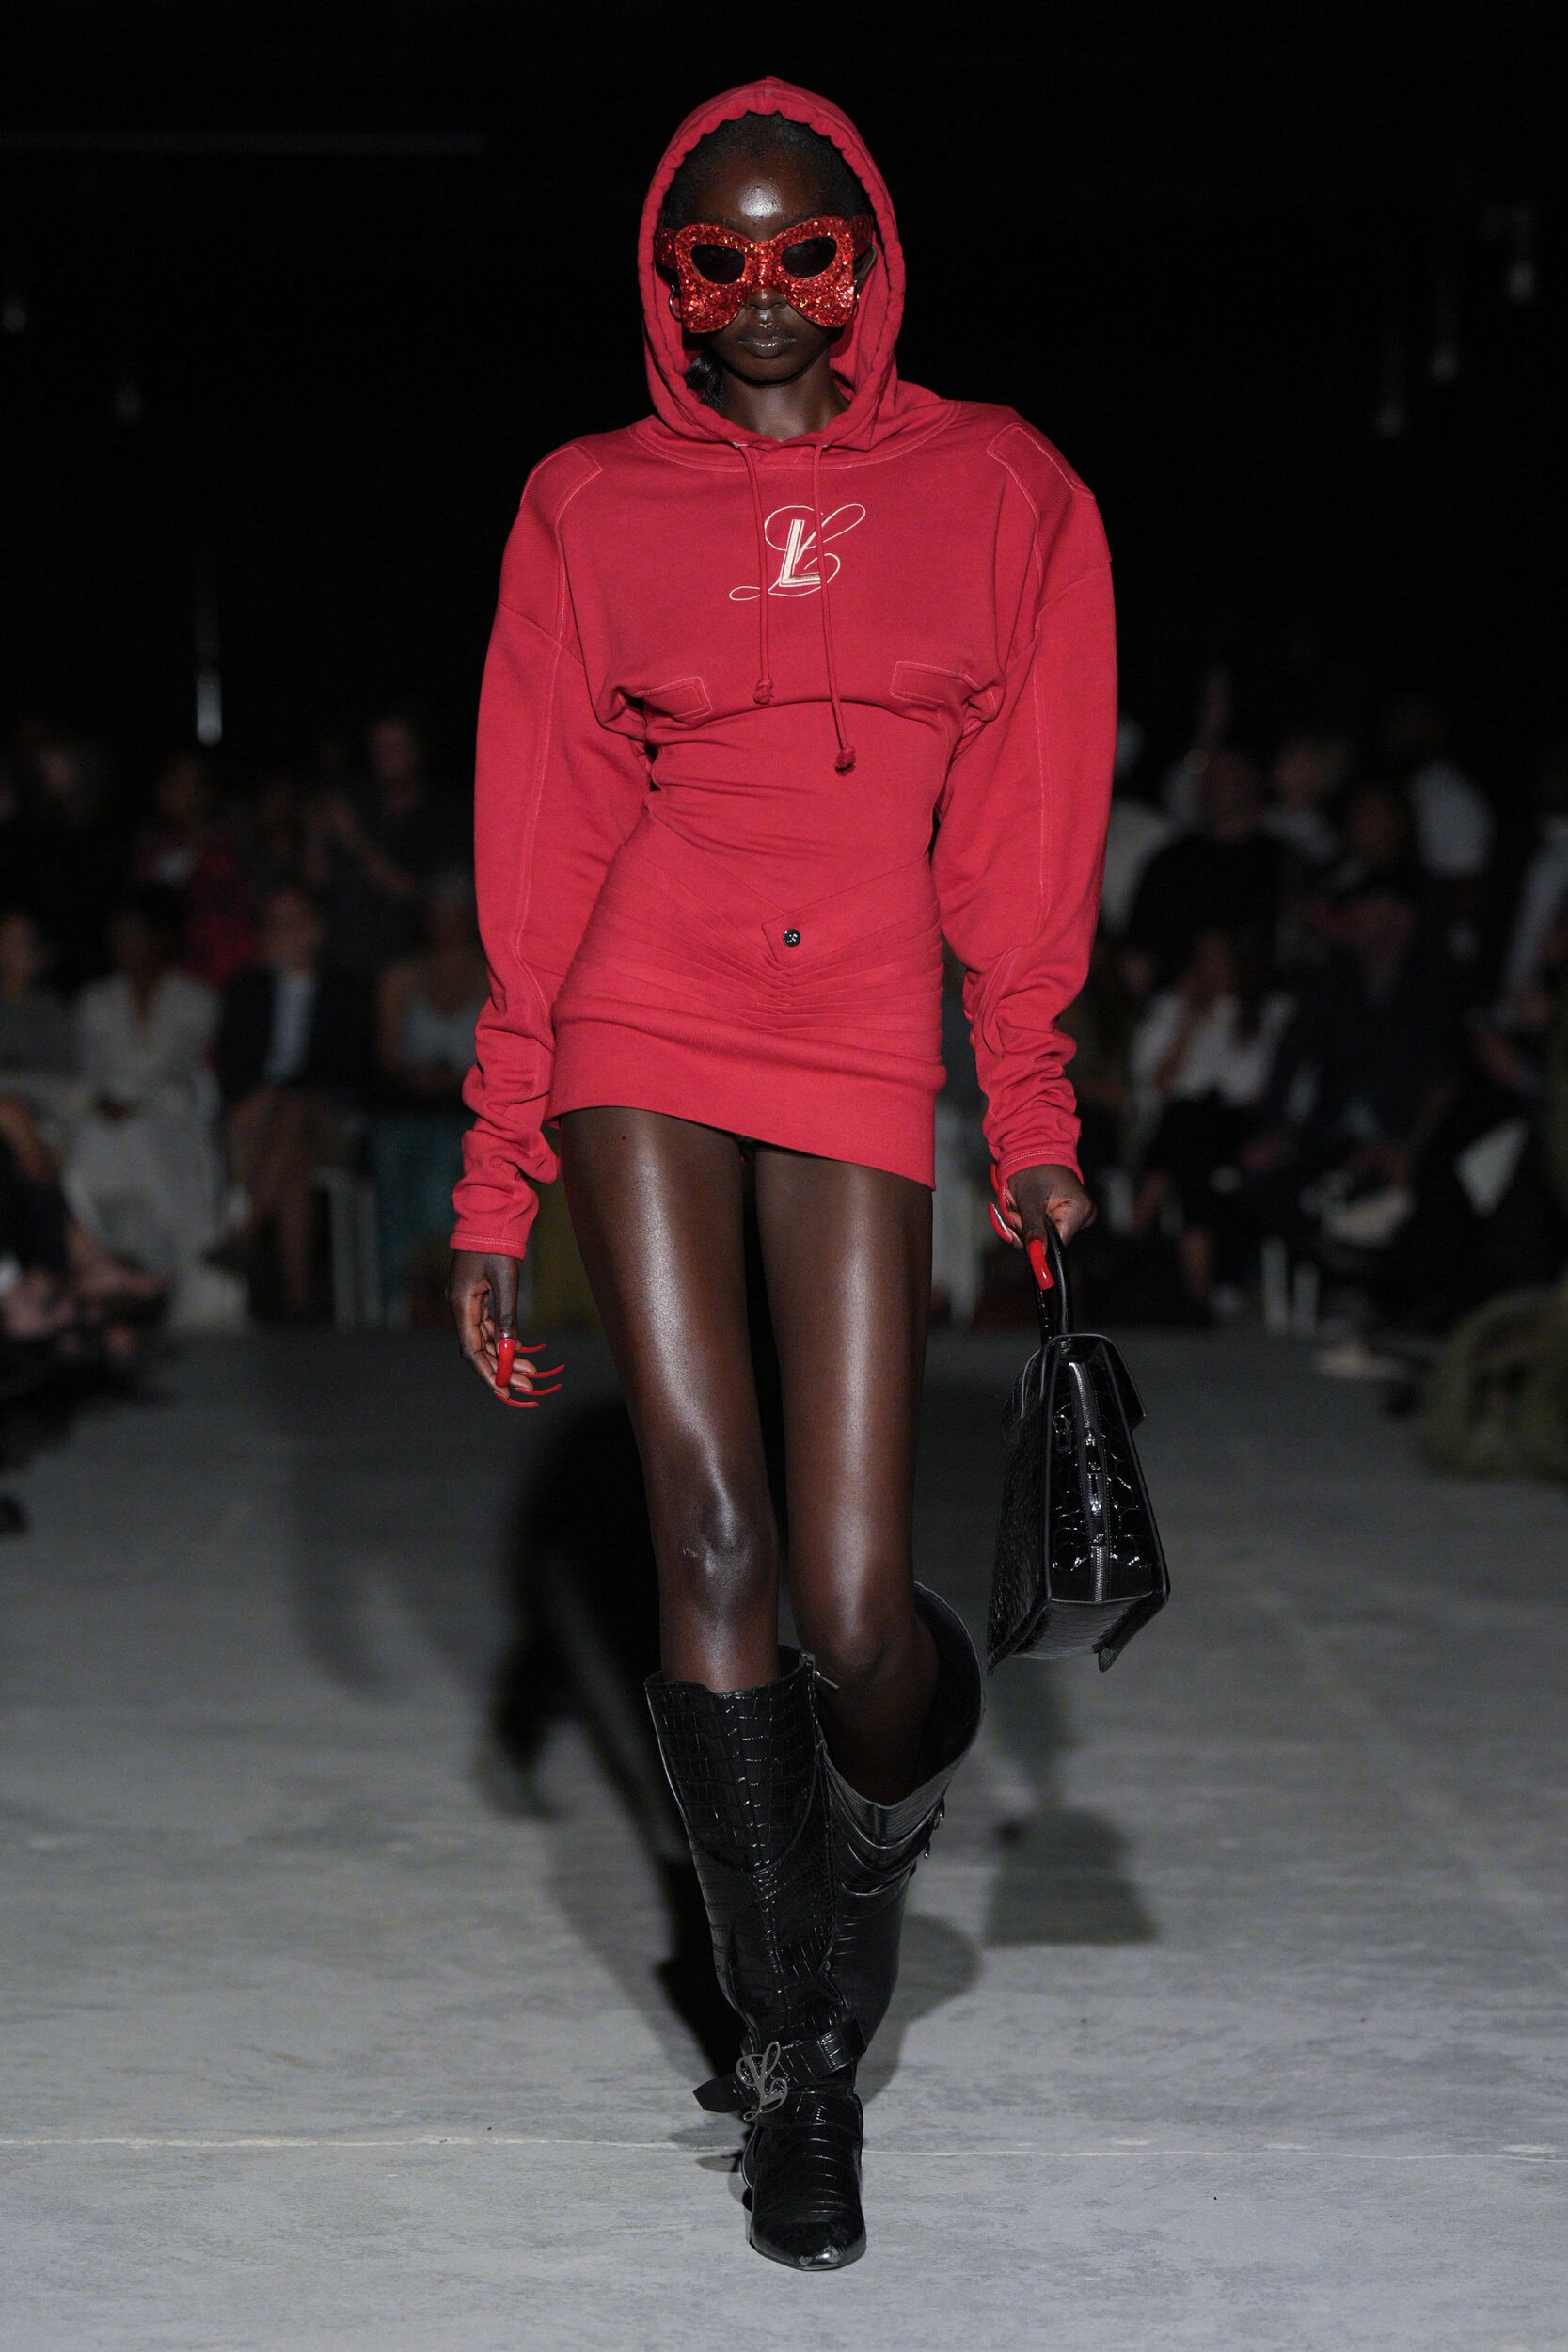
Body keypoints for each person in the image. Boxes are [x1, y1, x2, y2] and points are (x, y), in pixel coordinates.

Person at [448, 83, 1112, 2270]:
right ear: (665, 276)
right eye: (709, 256)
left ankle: (880, 1813)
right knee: (709, 1530)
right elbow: (542, 840)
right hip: (643, 1000)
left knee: (850, 1609)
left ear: (865, 257)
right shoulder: (585, 500)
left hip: (858, 1022)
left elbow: (1021, 833)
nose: (755, 290)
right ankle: (794, 2051)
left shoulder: (1001, 486)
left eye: (798, 250)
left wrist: (1030, 1109)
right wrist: (495, 1169)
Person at [214, 884, 371, 1320]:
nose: (277, 933)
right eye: (271, 923)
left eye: (289, 922)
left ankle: (247, 1230)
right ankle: (299, 1302)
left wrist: (280, 1093)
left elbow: (351, 1068)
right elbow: (231, 1065)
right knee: (295, 1167)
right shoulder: (247, 990)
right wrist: (260, 1099)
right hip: (261, 1126)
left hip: (330, 1120)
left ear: (315, 929)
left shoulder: (345, 989)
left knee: (297, 1110)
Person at [66, 888, 226, 1313]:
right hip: (106, 1112)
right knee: (96, 1135)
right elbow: (90, 1069)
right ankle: (111, 1259)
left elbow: (176, 1067)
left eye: (133, 934)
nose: (124, 944)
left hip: (170, 1112)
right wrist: (107, 1099)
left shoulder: (195, 999)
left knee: (146, 1136)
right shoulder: (96, 999)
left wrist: (134, 1101)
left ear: (159, 938)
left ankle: (171, 1270)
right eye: (118, 935)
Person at [1127, 925, 1293, 1314]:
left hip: (1236, 1124)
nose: (1209, 967)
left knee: (1190, 1127)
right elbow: (1160, 1083)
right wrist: (1190, 1022)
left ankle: (1136, 1226)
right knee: (1190, 1144)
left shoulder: (1269, 1012)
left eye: (1217, 957)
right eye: (1202, 958)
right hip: (1186, 1129)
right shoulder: (1176, 1009)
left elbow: (1259, 1088)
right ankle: (1198, 1290)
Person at [371, 873, 486, 1322]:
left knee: (446, 1162)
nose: (447, 924)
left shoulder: (493, 975)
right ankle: (401, 1289)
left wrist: (461, 1079)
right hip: (409, 1105)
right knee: (392, 1156)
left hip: (472, 1110)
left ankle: (442, 1283)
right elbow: (385, 1055)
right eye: (439, 914)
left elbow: (509, 1055)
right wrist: (419, 1077)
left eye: (456, 914)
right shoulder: (402, 977)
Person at [307, 711, 465, 977]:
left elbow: (420, 895)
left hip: (406, 964)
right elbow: (316, 883)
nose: (386, 756)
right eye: (378, 747)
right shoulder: (355, 799)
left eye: (396, 746)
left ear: (418, 749)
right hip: (339, 960)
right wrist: (316, 832)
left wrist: (353, 839)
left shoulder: (443, 813)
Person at [1126, 746, 1286, 979]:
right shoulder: (1172, 861)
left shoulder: (1281, 861)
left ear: (1253, 779)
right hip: (1177, 994)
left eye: (1228, 773)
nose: (1217, 783)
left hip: (1259, 994)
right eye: (1210, 775)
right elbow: (1140, 949)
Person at [135, 748, 257, 991]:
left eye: (180, 780)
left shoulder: (231, 849)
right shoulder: (153, 846)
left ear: (206, 792)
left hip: (213, 977)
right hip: (158, 980)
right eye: (168, 778)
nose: (169, 788)